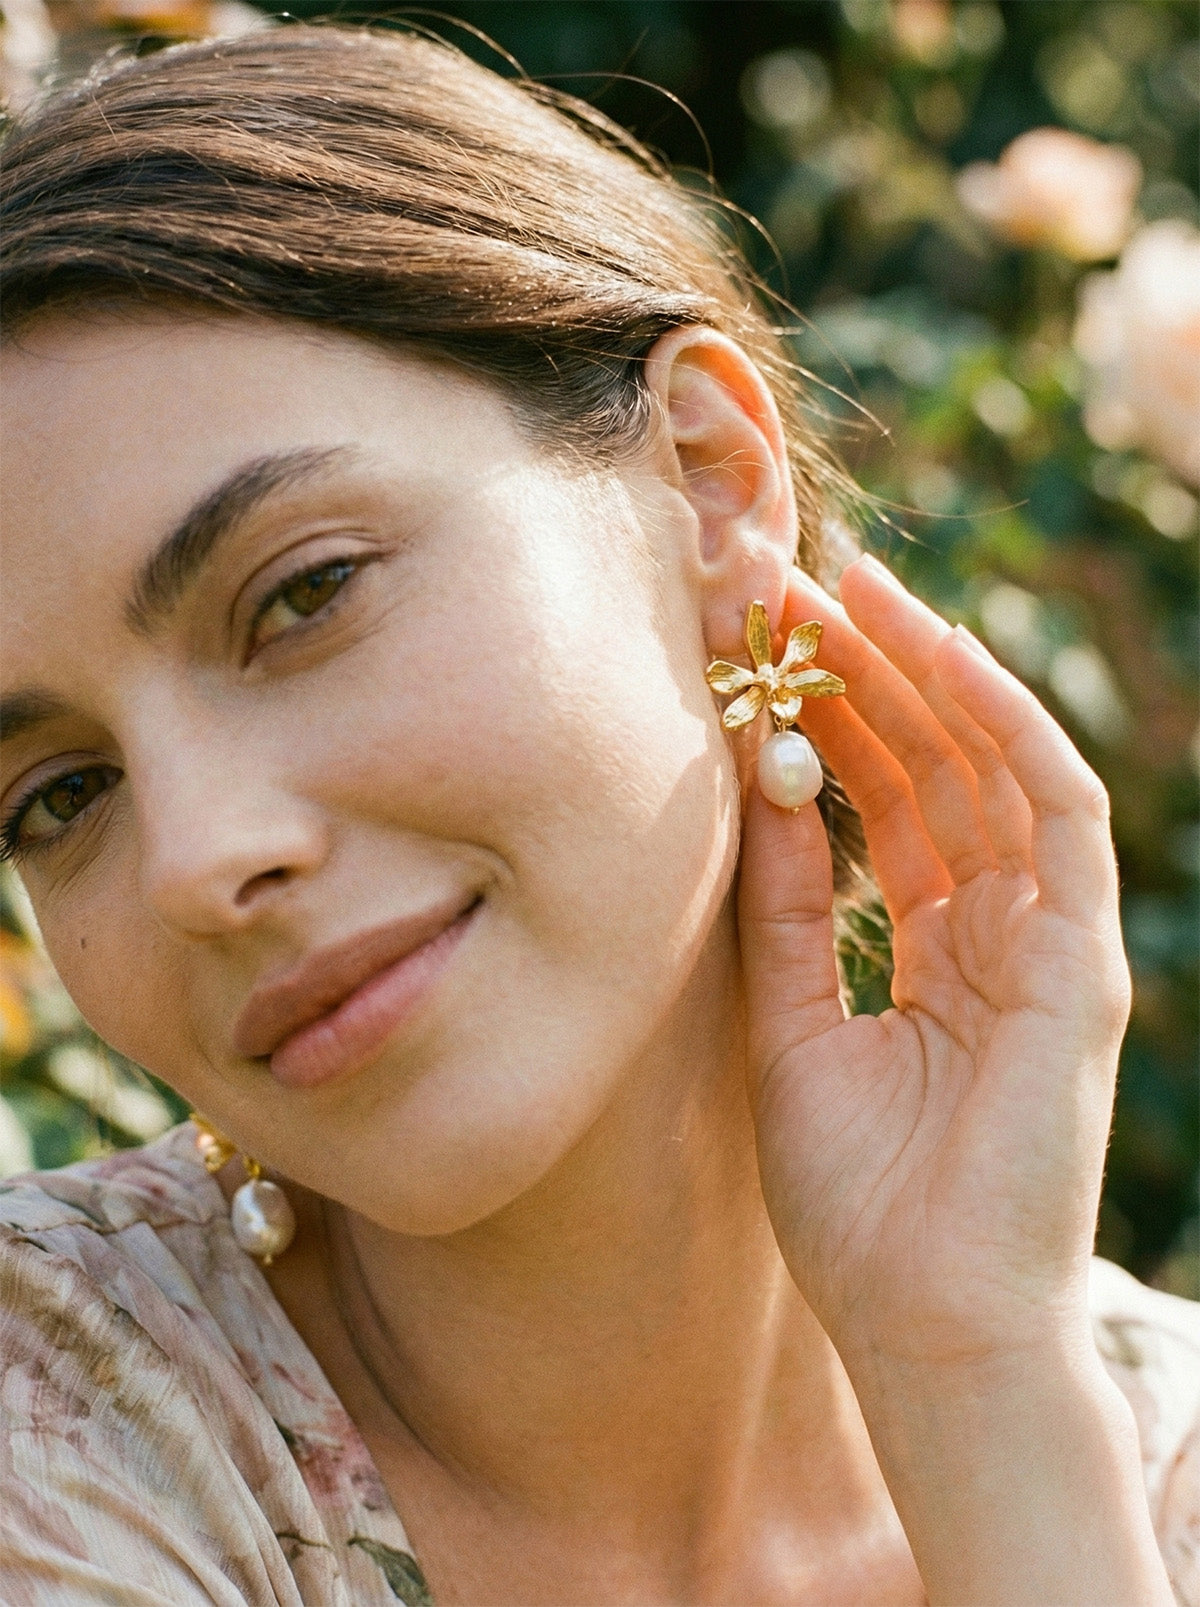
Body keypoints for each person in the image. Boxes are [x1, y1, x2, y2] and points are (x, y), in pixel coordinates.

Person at [0, 23, 1196, 1607]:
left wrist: (978, 1382)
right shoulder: (56, 1444)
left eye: (304, 595)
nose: (205, 859)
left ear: (706, 482)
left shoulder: (1150, 1458)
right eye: (61, 794)